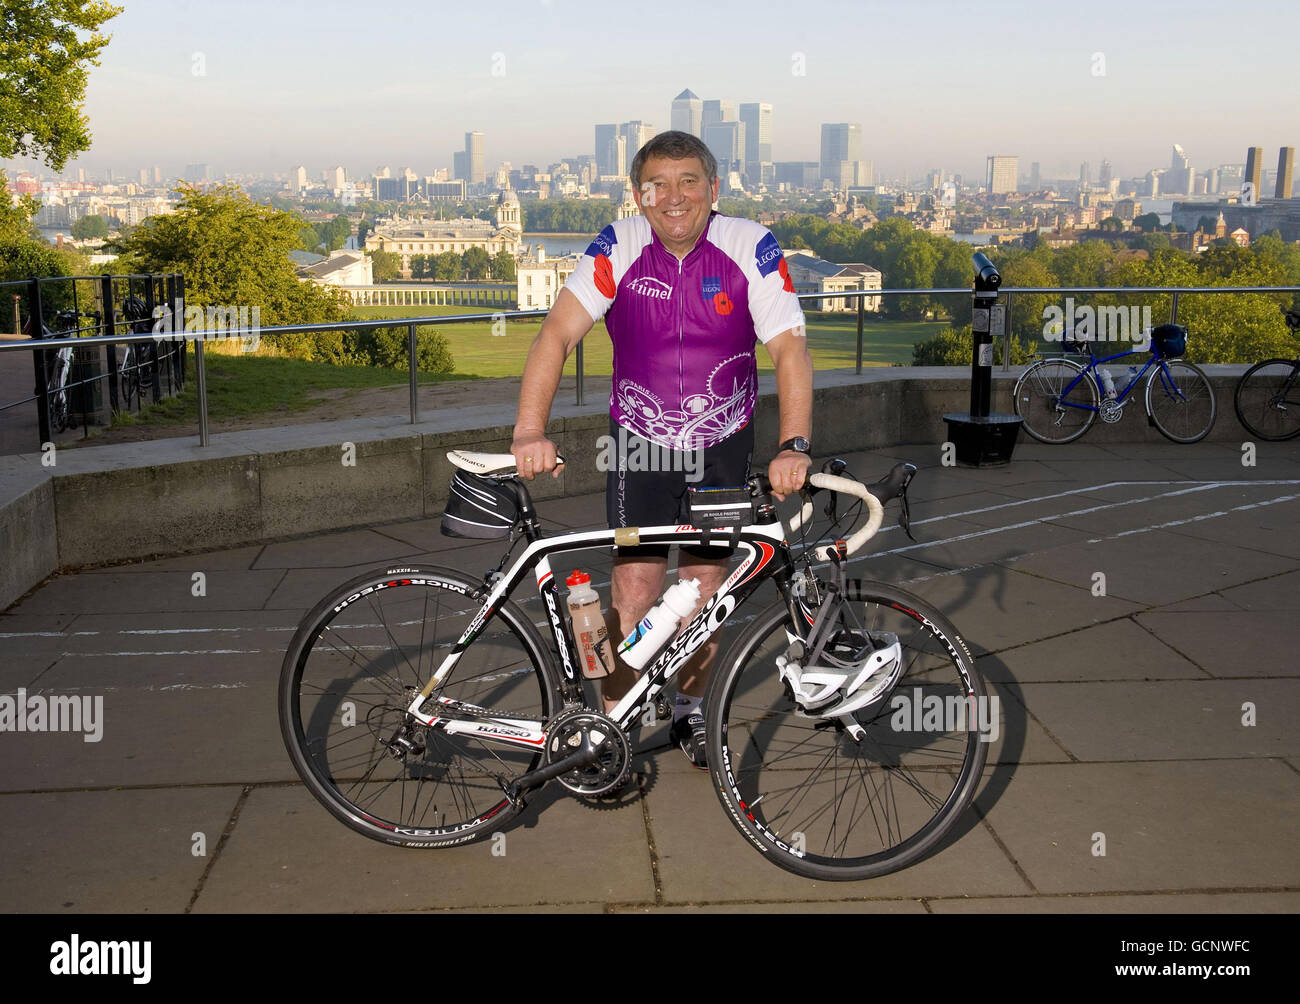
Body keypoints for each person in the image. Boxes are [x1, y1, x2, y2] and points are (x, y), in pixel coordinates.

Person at [510, 130, 812, 768]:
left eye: (688, 182)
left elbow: (789, 348)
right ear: (638, 195)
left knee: (704, 592)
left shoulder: (749, 244)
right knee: (635, 591)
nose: (673, 198)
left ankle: (689, 710)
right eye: (657, 185)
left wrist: (794, 444)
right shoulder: (616, 247)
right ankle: (614, 721)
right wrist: (528, 430)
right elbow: (556, 334)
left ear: (714, 189)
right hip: (639, 449)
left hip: (721, 450)